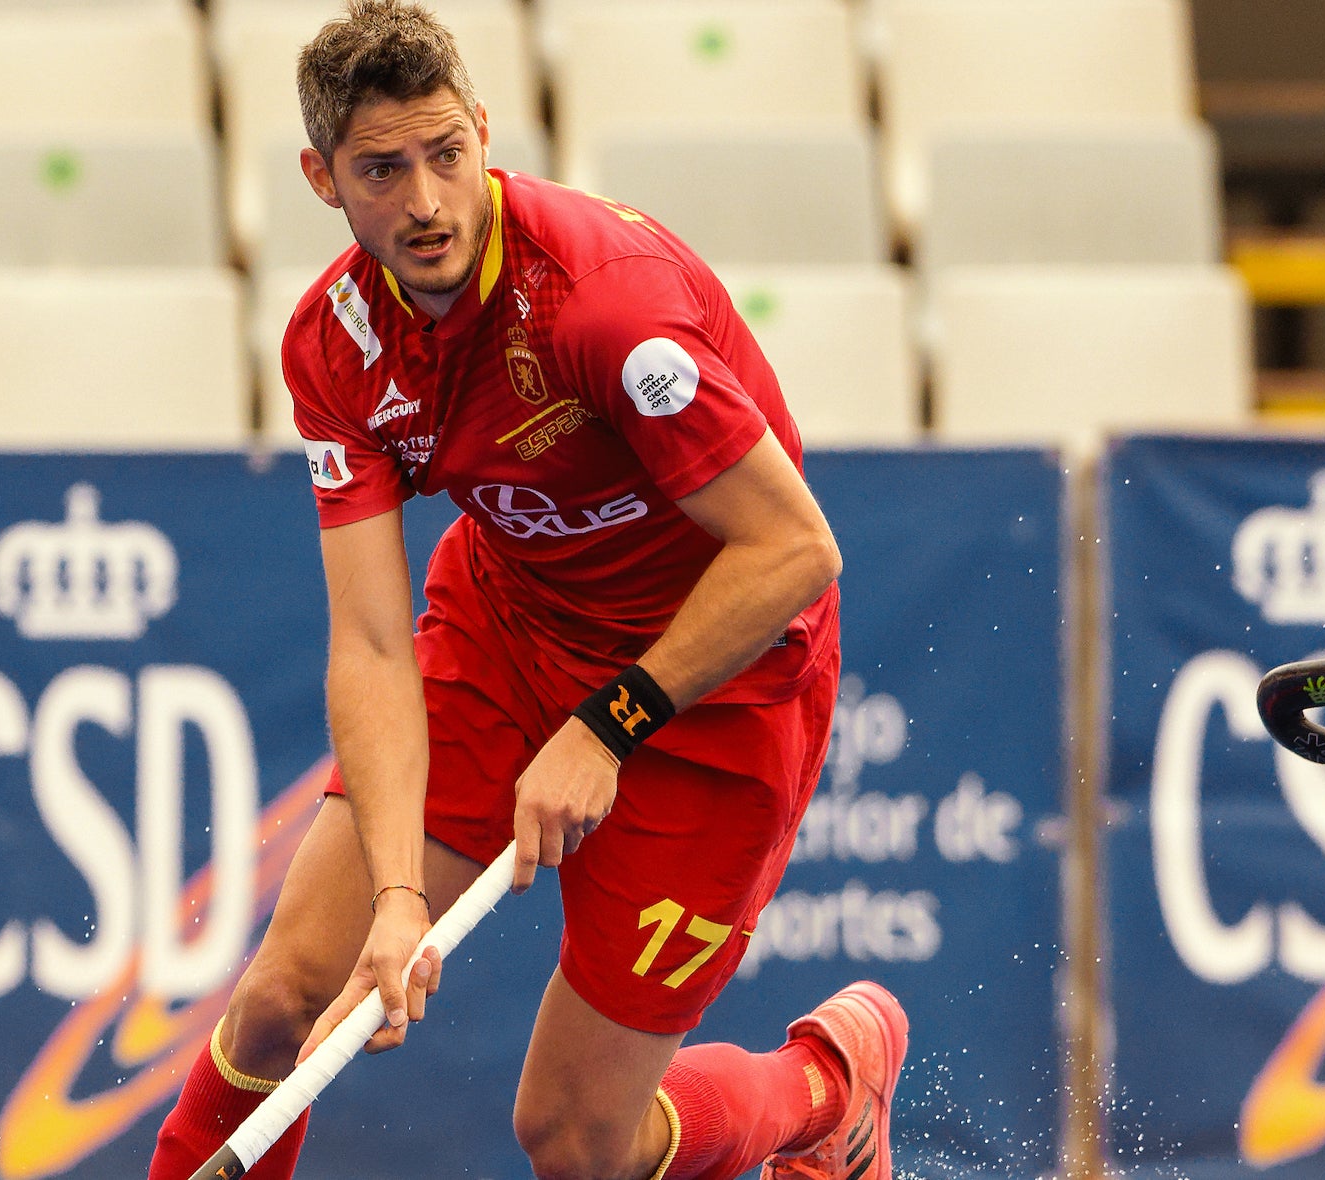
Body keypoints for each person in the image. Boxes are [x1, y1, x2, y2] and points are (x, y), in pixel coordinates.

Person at [144, 3, 908, 1179]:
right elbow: (371, 644)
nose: (427, 202)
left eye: (446, 153)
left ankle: (829, 1089)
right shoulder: (332, 346)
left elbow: (796, 549)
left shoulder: (604, 305)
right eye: (381, 170)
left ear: (485, 131)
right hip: (509, 627)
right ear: (321, 178)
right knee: (282, 1000)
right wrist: (398, 894)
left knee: (574, 1141)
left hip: (718, 688)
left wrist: (610, 723)